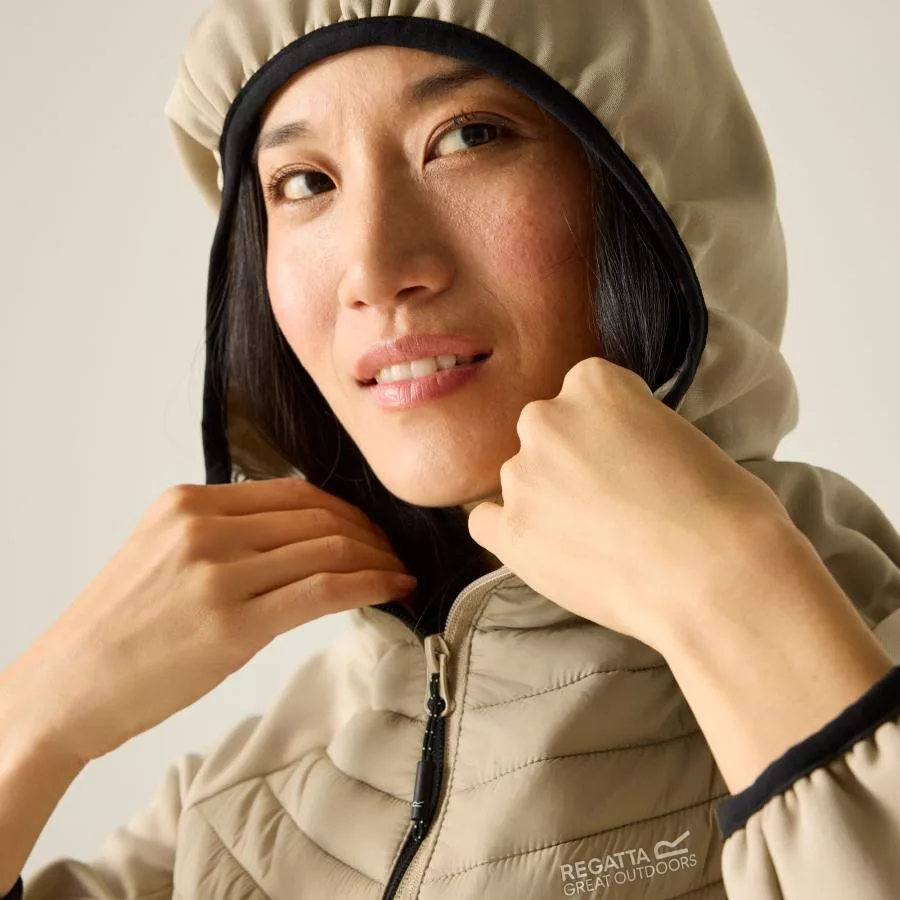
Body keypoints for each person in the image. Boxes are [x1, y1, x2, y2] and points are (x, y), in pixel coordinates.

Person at [2, 1, 900, 898]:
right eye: (305, 182)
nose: (374, 269)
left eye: (468, 136)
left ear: (648, 183)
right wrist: (35, 719)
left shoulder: (871, 658)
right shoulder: (240, 805)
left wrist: (733, 592)